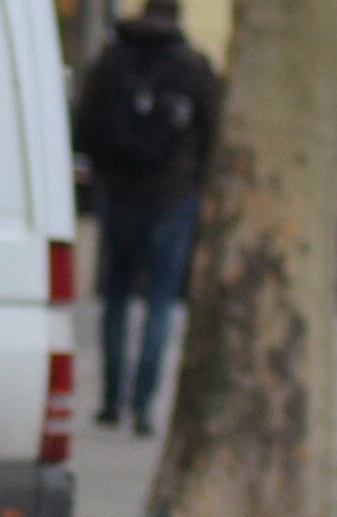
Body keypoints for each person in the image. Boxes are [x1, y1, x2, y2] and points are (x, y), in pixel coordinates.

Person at [75, 0, 220, 436]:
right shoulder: (194, 66)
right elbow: (213, 131)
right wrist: (195, 181)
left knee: (115, 299)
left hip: (118, 194)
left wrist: (104, 174)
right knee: (160, 303)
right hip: (172, 198)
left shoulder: (111, 60)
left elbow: (84, 126)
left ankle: (110, 401)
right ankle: (143, 406)